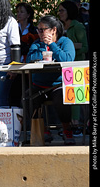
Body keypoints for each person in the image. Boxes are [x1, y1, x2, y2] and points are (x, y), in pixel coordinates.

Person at [26, 15, 76, 145]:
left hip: (58, 84)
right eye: (38, 30)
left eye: (43, 30)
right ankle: (42, 129)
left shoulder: (65, 42)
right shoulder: (37, 43)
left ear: (53, 30)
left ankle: (67, 129)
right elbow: (30, 59)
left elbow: (67, 60)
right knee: (29, 97)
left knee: (62, 96)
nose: (40, 33)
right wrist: (43, 47)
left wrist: (52, 45)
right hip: (39, 84)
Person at [58, 0, 88, 136]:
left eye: (62, 10)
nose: (59, 13)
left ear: (69, 11)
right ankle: (67, 126)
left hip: (77, 66)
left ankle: (76, 126)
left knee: (76, 97)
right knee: (64, 97)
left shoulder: (78, 26)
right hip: (62, 66)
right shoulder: (59, 27)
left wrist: (72, 47)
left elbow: (86, 47)